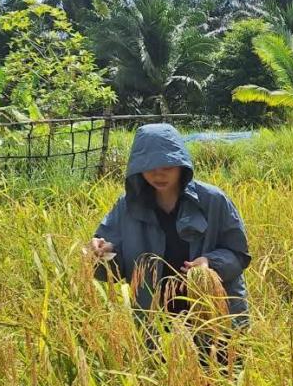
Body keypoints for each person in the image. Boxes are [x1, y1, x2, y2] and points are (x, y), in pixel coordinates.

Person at [87, 123, 251, 328]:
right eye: (150, 168)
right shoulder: (127, 207)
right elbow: (116, 268)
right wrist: (103, 253)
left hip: (213, 316)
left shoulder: (212, 200)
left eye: (167, 167)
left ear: (182, 165)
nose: (159, 175)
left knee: (218, 359)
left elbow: (238, 254)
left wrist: (210, 262)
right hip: (156, 320)